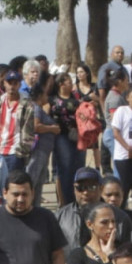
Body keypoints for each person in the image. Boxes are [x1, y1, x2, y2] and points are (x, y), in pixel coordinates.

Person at [111, 86, 132, 212]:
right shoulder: (121, 111)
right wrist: (127, 148)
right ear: (128, 98)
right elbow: (116, 133)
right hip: (123, 156)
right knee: (125, 186)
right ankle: (121, 212)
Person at [0, 71, 35, 173]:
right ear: (4, 84)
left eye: (15, 83)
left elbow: (28, 130)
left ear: (19, 84)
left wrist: (22, 150)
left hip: (16, 151)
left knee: (14, 183)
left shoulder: (26, 105)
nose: (12, 86)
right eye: (9, 83)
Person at [26, 83, 61, 206]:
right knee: (32, 181)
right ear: (40, 95)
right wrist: (52, 128)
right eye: (45, 94)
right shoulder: (35, 108)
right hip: (38, 150)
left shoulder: (39, 108)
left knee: (39, 183)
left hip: (44, 152)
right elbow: (36, 126)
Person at [52, 73, 83, 207]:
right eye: (69, 81)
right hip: (62, 137)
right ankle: (67, 202)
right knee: (65, 169)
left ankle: (79, 199)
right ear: (61, 84)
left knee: (78, 168)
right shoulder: (52, 100)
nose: (72, 84)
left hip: (78, 136)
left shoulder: (76, 97)